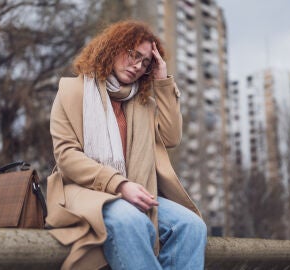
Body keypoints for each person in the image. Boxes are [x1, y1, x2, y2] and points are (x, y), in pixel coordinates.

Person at [46, 20, 207, 270]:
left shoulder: (143, 104)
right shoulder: (72, 91)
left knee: (191, 226)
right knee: (127, 218)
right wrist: (119, 184)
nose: (137, 66)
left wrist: (162, 81)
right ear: (113, 47)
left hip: (136, 190)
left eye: (145, 62)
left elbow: (172, 137)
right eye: (133, 55)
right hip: (84, 191)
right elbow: (66, 157)